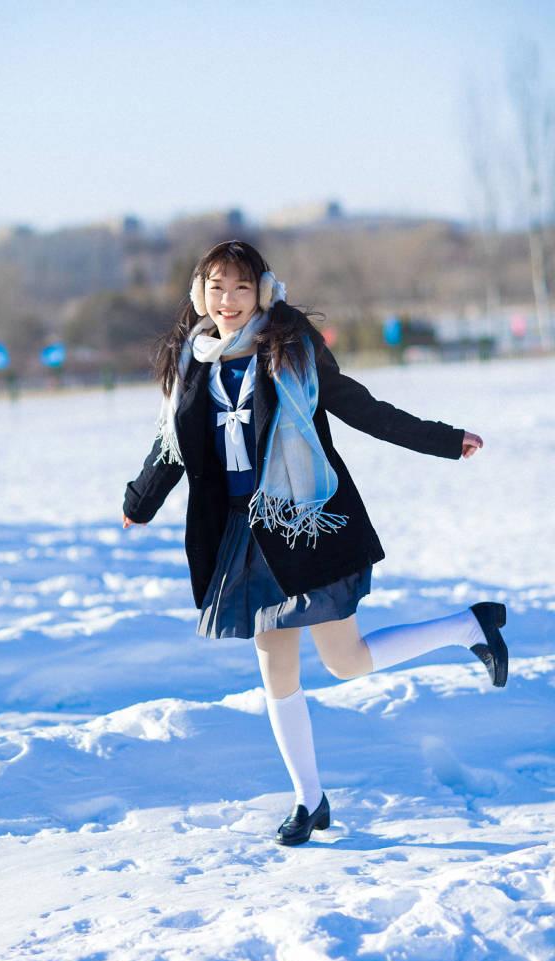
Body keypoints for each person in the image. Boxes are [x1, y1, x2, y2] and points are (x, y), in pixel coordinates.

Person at [122, 240, 508, 847]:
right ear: (201, 294)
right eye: (218, 288)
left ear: (263, 293)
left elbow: (363, 408)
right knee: (275, 670)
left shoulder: (289, 352)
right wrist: (139, 501)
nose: (229, 301)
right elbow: (175, 444)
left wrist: (444, 439)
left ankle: (470, 627)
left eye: (242, 288)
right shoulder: (195, 361)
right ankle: (309, 800)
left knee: (343, 661)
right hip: (241, 534)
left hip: (304, 524)